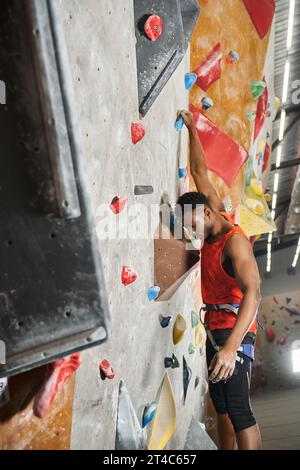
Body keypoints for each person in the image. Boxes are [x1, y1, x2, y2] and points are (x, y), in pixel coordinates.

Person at [175, 110, 262, 450]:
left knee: (240, 410)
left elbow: (254, 293)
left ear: (207, 213)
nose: (190, 231)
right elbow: (199, 171)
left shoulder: (234, 242)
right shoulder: (211, 212)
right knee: (222, 409)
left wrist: (230, 348)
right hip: (214, 326)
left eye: (192, 223)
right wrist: (193, 130)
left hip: (235, 329)